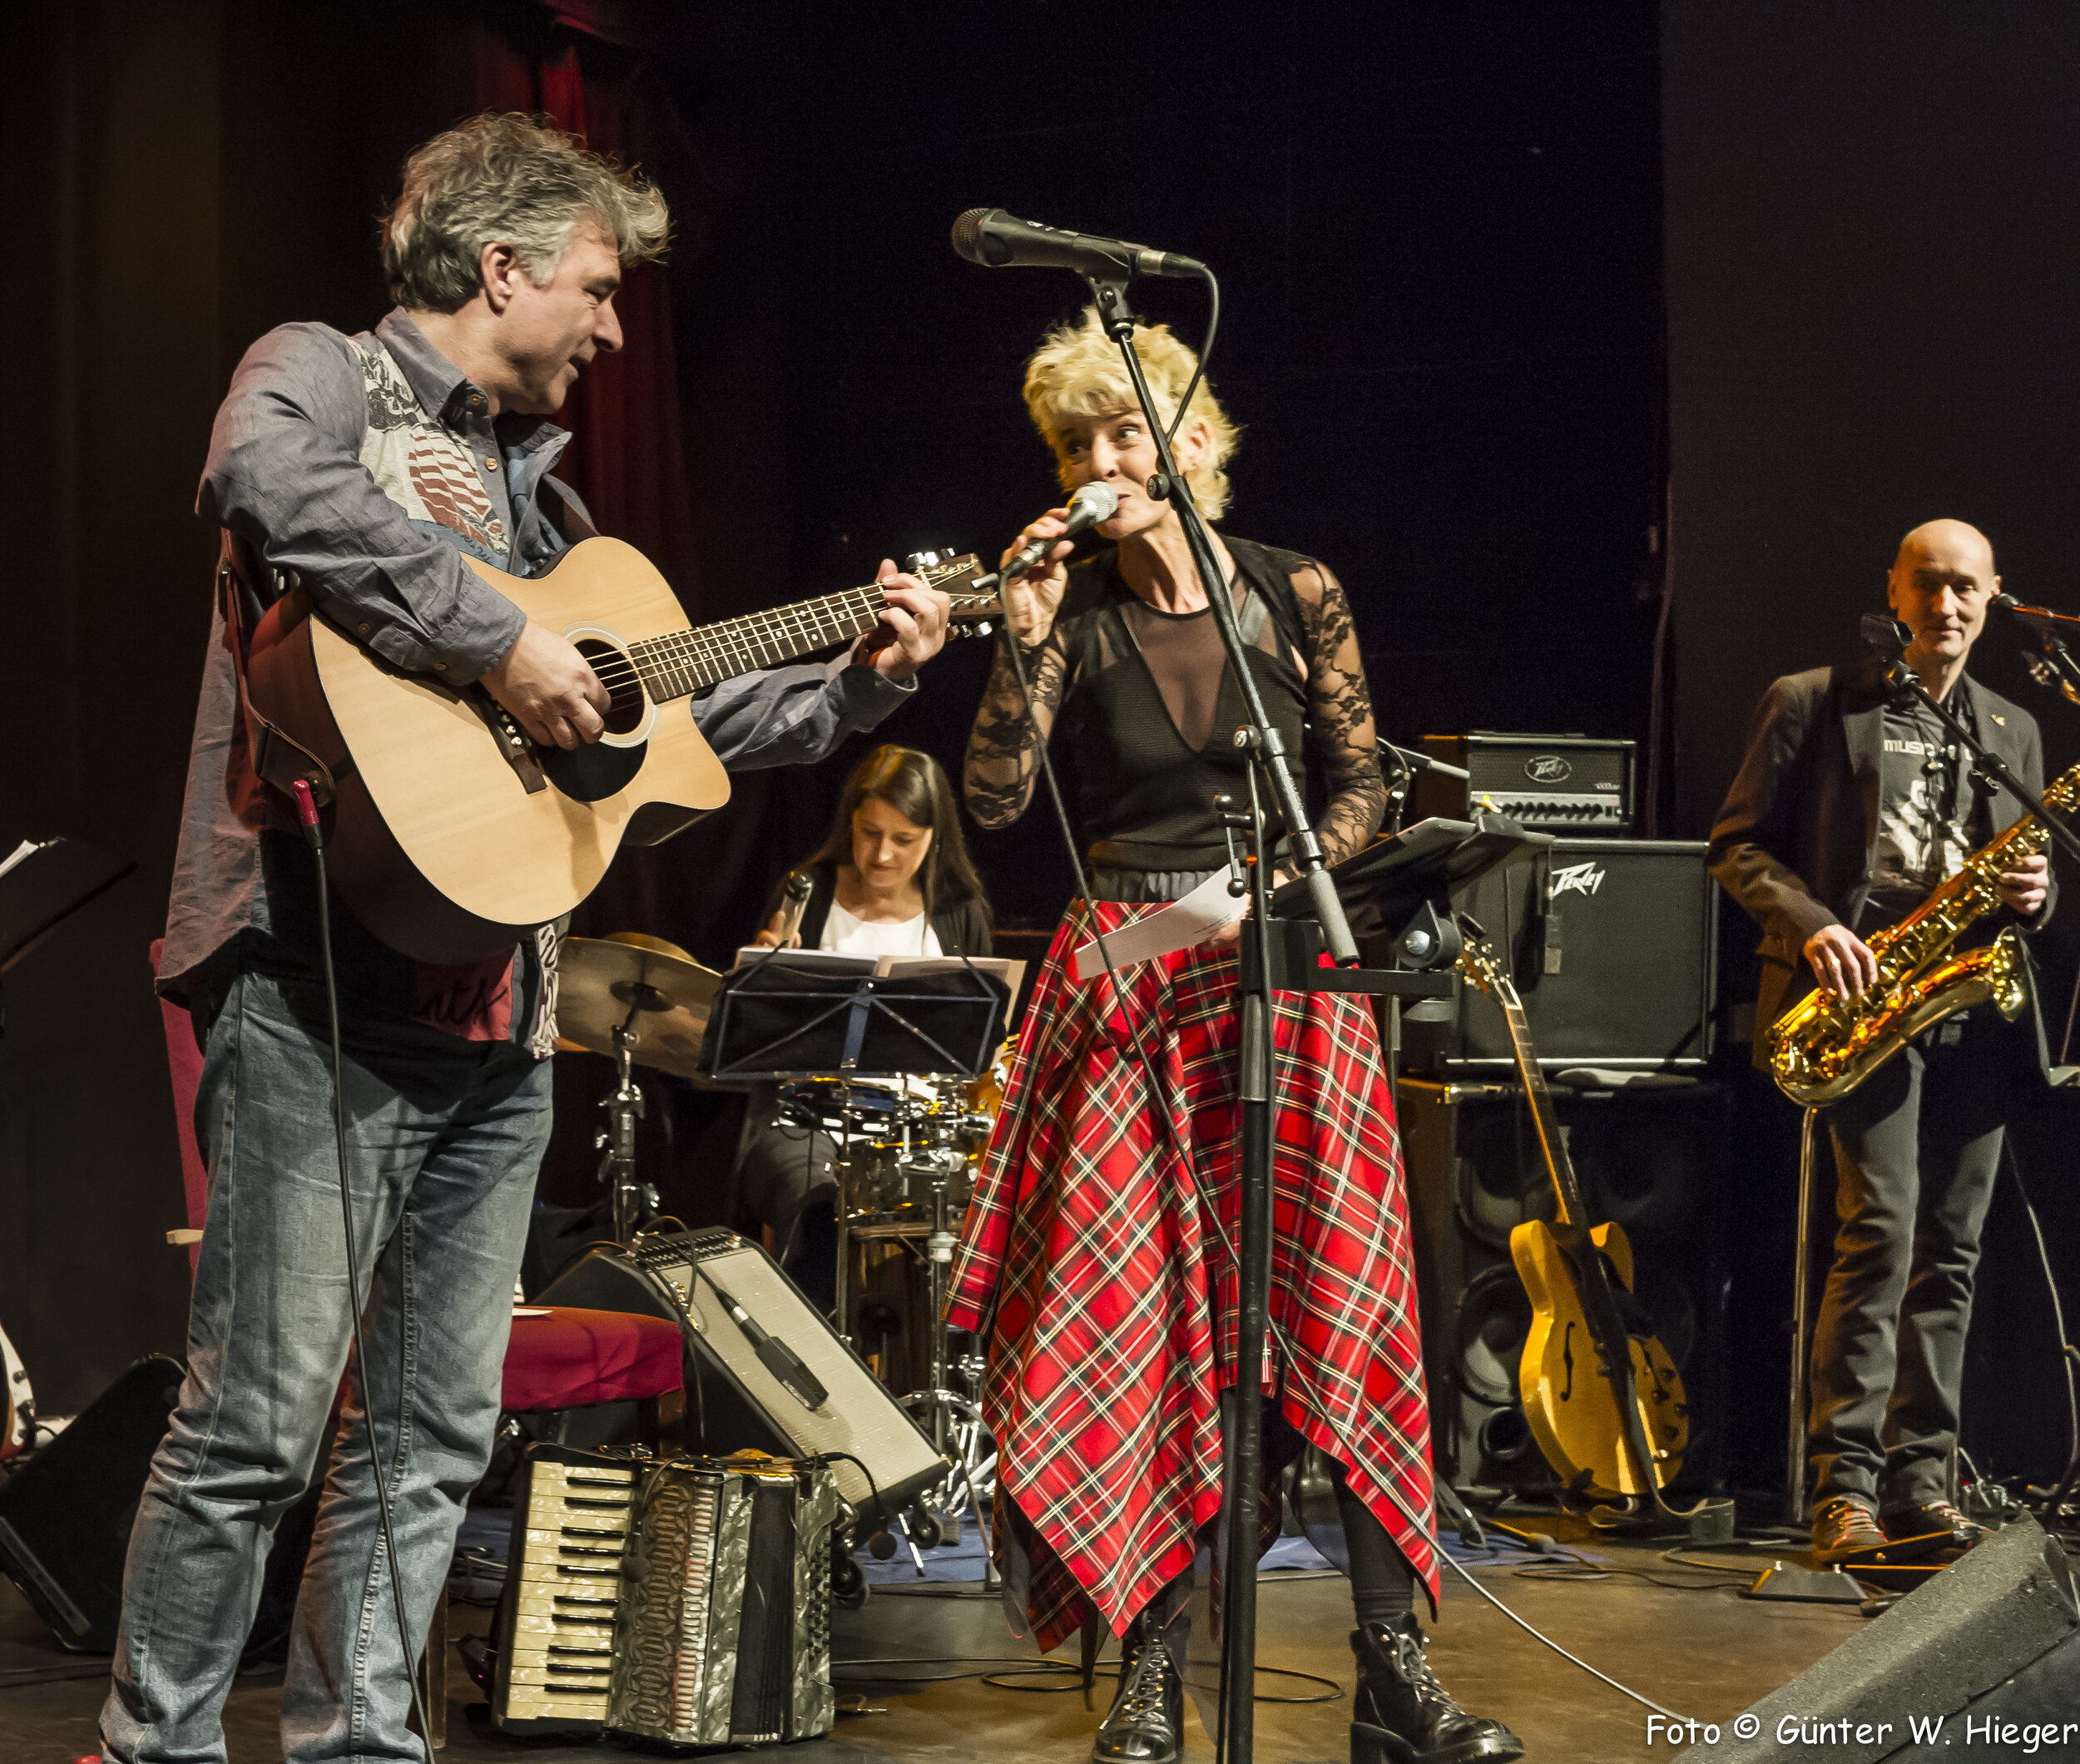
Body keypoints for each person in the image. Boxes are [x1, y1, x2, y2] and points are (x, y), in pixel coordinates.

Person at [109, 115, 948, 1764]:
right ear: (500, 268)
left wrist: (872, 671)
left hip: (501, 1017)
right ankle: (160, 1746)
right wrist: (499, 645)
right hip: (309, 980)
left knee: (427, 1435)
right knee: (258, 1427)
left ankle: (362, 1745)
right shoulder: (323, 379)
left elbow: (688, 710)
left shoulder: (552, 516)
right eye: (599, 288)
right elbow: (259, 485)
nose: (617, 328)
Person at [948, 309, 1520, 1764]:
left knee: (1338, 1302)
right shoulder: (1069, 621)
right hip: (1133, 972)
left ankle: (1392, 1669)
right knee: (1145, 1330)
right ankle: (1154, 1673)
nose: (1097, 460)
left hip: (1281, 960)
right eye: (1074, 440)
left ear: (1193, 447)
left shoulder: (1293, 589)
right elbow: (1003, 808)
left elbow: (1357, 786)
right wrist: (1012, 647)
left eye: (1122, 432)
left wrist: (1271, 887)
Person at [1708, 518, 2053, 1566]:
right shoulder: (1813, 700)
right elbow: (1735, 847)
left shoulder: (2013, 727)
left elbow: (2017, 872)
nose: (1945, 606)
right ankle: (1842, 1486)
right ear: (1892, 593)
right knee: (1881, 1235)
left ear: (1995, 598)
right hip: (1862, 1002)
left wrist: (2033, 899)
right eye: (1927, 586)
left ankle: (1921, 1481)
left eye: (1965, 589)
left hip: (1971, 1012)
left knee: (1951, 1252)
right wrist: (1814, 928)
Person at [735, 744, 992, 1306]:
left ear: (935, 838)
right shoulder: (809, 890)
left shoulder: (958, 911)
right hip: (803, 1122)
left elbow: (978, 1048)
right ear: (848, 822)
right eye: (869, 832)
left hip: (920, 1129)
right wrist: (766, 979)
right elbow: (755, 1042)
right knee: (821, 1201)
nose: (880, 856)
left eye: (904, 840)